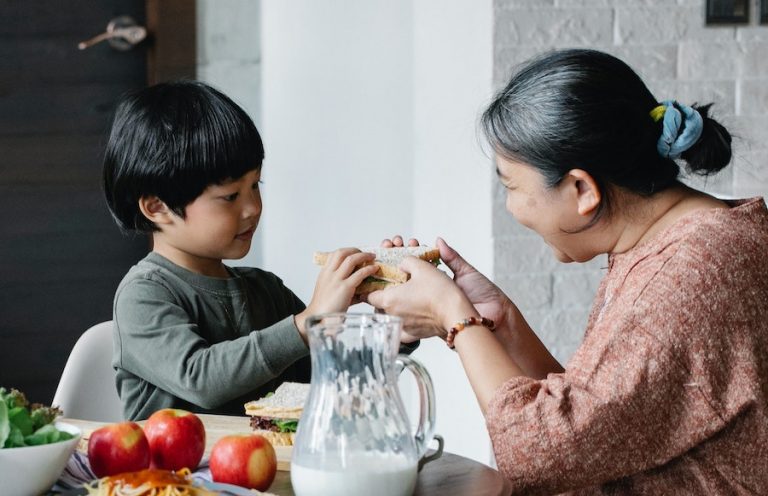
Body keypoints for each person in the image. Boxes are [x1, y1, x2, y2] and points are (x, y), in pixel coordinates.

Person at [366, 49, 768, 494]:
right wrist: (499, 320)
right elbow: (594, 428)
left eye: (511, 187)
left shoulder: (689, 276)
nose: (512, 208)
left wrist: (455, 317)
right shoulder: (681, 245)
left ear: (581, 189)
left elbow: (536, 458)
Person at [102, 80, 380, 421]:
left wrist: (391, 323)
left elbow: (341, 376)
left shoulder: (267, 291)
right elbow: (200, 378)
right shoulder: (144, 294)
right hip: (176, 475)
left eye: (255, 185)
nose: (253, 208)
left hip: (272, 472)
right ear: (157, 207)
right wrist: (307, 324)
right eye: (231, 196)